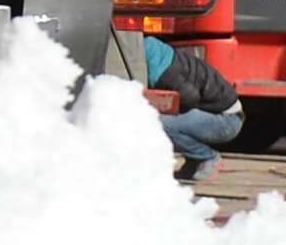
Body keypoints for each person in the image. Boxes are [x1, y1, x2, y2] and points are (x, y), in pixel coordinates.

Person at [90, 21, 245, 185]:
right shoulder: (160, 55)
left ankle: (208, 157)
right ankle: (195, 162)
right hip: (222, 113)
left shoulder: (165, 72)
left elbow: (190, 97)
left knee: (162, 124)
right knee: (167, 120)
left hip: (226, 120)